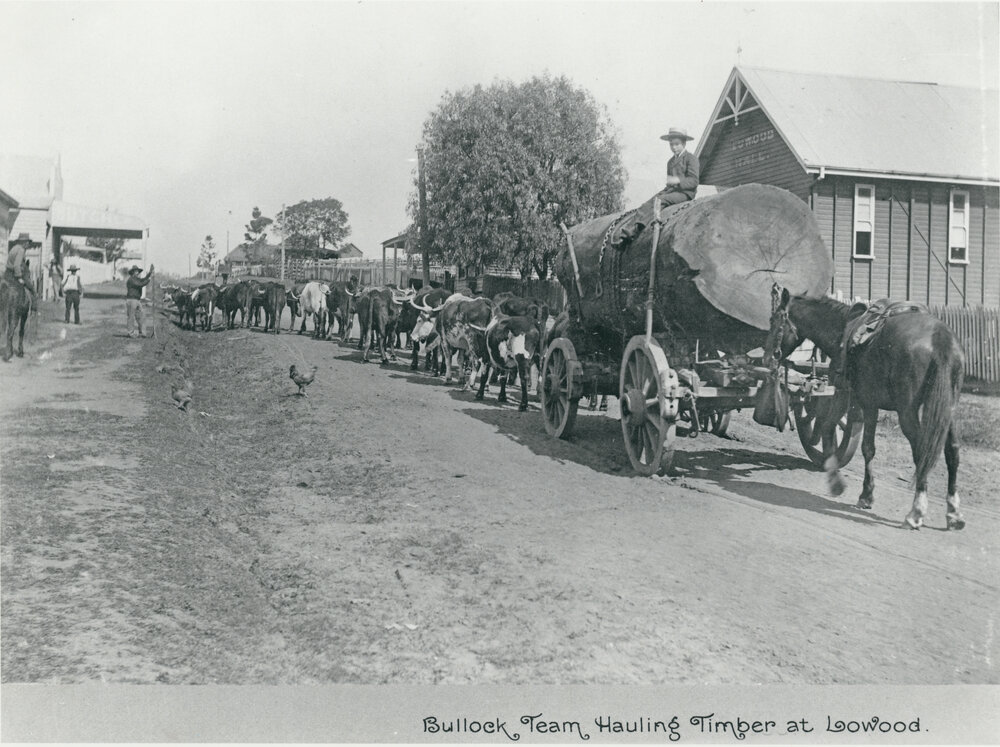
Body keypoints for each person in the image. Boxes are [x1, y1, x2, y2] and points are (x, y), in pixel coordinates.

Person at [617, 127, 700, 244]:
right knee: (647, 203)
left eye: (677, 144)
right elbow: (669, 183)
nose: (674, 147)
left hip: (685, 194)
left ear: (684, 143)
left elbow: (694, 181)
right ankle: (629, 231)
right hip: (671, 191)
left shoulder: (691, 159)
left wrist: (677, 180)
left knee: (659, 201)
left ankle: (638, 229)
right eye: (671, 145)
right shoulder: (670, 162)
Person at [4, 233, 36, 305]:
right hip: (15, 275)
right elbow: (16, 265)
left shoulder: (14, 248)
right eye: (27, 242)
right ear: (23, 242)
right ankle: (34, 310)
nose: (28, 244)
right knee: (32, 289)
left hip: (7, 274)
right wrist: (19, 277)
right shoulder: (21, 250)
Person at [125, 264, 154, 338]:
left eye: (138, 271)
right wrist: (149, 279)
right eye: (136, 272)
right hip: (131, 300)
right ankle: (131, 333)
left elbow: (143, 280)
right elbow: (141, 283)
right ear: (132, 273)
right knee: (131, 317)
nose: (138, 273)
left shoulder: (136, 279)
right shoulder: (131, 280)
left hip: (137, 300)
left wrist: (150, 273)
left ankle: (142, 333)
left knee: (141, 316)